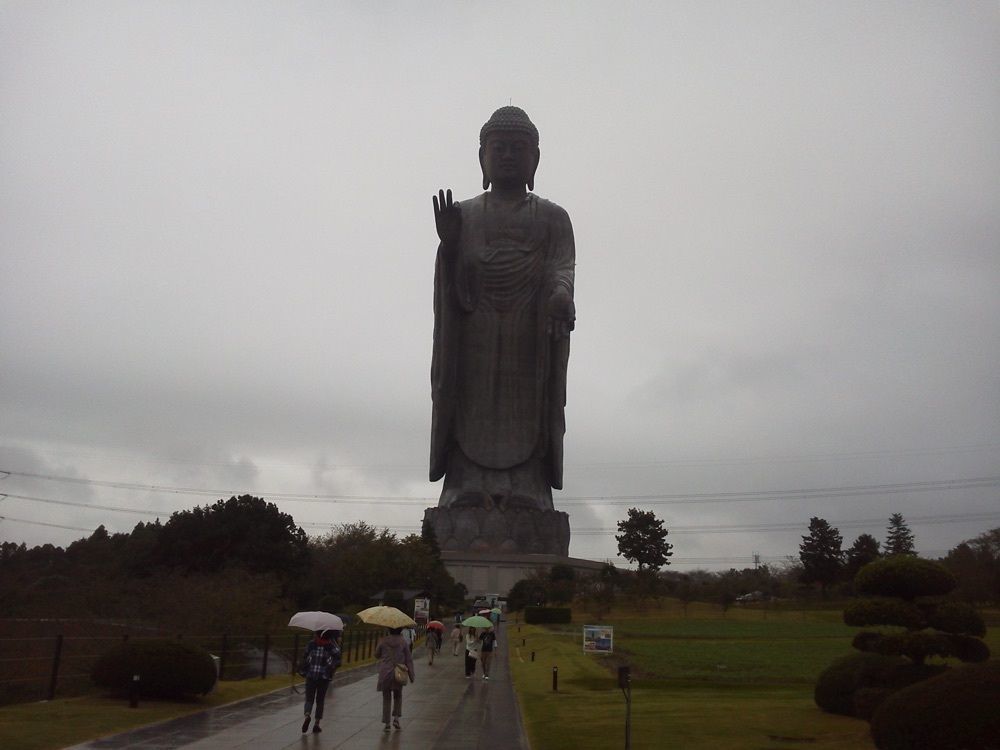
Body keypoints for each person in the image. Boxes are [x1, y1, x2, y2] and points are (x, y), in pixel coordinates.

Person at [430, 106, 576, 512]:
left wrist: (561, 295)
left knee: (529, 402)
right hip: (474, 332)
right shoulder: (465, 214)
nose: (509, 156)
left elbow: (562, 267)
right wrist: (451, 245)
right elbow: (453, 285)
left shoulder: (553, 218)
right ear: (482, 158)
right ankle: (463, 484)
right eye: (499, 148)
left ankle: (528, 486)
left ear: (535, 159)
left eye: (518, 148)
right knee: (466, 398)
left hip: (528, 335)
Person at [299, 629, 341, 734]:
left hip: (311, 675)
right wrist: (331, 667)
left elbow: (304, 656)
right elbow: (338, 659)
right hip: (324, 677)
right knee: (320, 700)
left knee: (309, 698)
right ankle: (317, 723)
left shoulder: (311, 644)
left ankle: (307, 714)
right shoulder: (330, 646)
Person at [375, 627, 415, 732]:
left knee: (386, 697)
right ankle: (396, 718)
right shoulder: (403, 642)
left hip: (385, 672)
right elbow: (408, 659)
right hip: (399, 672)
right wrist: (411, 674)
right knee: (398, 696)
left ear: (389, 630)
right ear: (401, 630)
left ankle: (387, 723)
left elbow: (376, 655)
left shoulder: (383, 641)